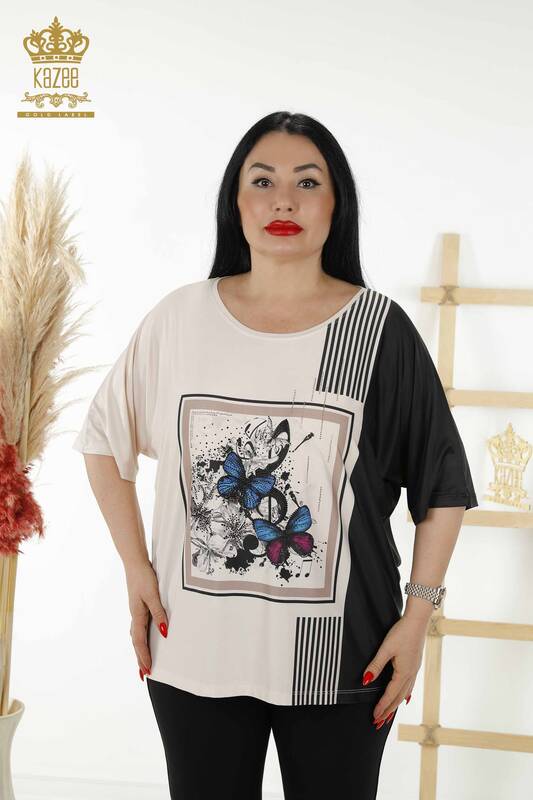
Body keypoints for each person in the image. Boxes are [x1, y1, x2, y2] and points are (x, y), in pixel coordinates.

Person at [73, 111, 478, 799]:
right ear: (234, 202)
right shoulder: (180, 320)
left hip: (343, 655)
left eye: (307, 182)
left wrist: (418, 619)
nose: (283, 200)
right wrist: (137, 568)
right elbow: (103, 441)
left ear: (336, 203)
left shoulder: (376, 331)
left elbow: (440, 485)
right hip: (194, 650)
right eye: (262, 181)